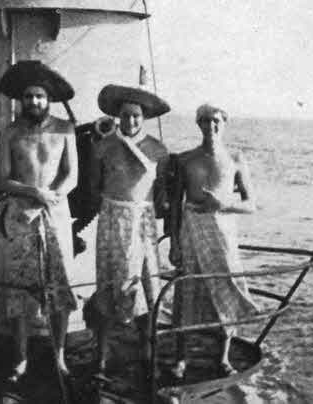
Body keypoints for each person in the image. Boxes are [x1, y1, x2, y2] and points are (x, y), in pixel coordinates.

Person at [0, 60, 79, 381]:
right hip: (21, 217)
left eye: (40, 97)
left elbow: (72, 175)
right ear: (21, 100)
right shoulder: (11, 132)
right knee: (19, 290)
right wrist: (33, 192)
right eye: (29, 97)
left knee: (61, 287)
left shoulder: (64, 129)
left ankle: (59, 355)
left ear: (49, 100)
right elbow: (2, 179)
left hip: (56, 216)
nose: (34, 102)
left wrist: (53, 195)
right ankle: (20, 357)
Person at [169, 104, 259, 378]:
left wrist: (224, 203)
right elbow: (175, 204)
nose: (211, 125)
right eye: (205, 120)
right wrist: (173, 242)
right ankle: (181, 358)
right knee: (186, 290)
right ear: (198, 124)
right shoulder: (185, 159)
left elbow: (251, 204)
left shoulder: (235, 157)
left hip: (223, 231)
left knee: (226, 287)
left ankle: (223, 358)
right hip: (191, 229)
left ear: (224, 123)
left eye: (216, 120)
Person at [89, 84, 170, 372]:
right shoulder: (104, 147)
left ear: (144, 118)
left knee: (147, 284)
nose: (131, 121)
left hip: (143, 222)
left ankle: (147, 351)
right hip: (112, 218)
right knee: (109, 284)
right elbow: (93, 187)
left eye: (136, 116)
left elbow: (161, 194)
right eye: (125, 115)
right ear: (118, 116)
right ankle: (102, 352)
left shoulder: (158, 150)